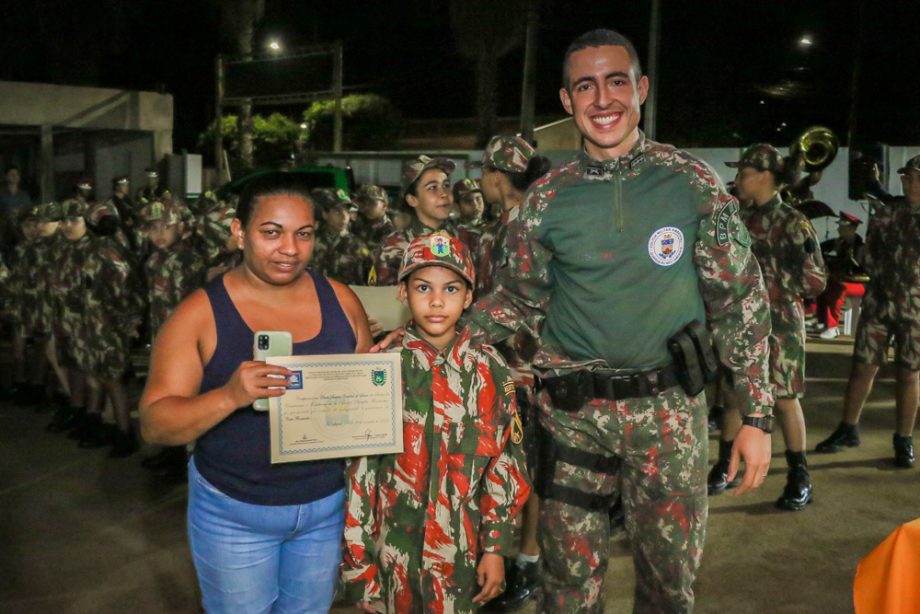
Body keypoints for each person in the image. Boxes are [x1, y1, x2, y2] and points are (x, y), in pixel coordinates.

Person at [457, 30, 773, 612]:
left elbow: (739, 299)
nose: (602, 99)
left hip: (670, 418)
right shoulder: (546, 202)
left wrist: (755, 415)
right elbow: (516, 299)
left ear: (642, 89)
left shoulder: (690, 182)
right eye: (586, 86)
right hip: (573, 419)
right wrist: (442, 342)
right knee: (568, 588)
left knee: (668, 585)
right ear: (567, 100)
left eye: (616, 82)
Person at [139, 172, 373, 613]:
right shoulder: (200, 314)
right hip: (234, 514)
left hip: (325, 510)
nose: (289, 249)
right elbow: (155, 424)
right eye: (272, 232)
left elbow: (365, 405)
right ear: (238, 232)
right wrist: (228, 395)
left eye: (303, 235)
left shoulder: (341, 301)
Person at [342, 232, 530, 613]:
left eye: (451, 288)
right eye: (423, 287)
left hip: (462, 557)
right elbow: (360, 473)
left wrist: (495, 547)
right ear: (402, 293)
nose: (437, 301)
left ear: (468, 297)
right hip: (393, 556)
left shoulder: (489, 368)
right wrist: (358, 566)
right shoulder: (382, 367)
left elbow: (504, 465)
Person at [715, 144, 826, 512]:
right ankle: (725, 465)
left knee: (783, 399)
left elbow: (816, 280)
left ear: (765, 176)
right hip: (739, 323)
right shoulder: (736, 218)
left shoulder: (794, 222)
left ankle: (799, 475)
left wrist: (767, 286)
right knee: (732, 393)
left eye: (744, 173)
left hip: (780, 325)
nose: (738, 180)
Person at [472, 134, 552, 613]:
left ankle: (526, 562)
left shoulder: (521, 227)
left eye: (484, 174)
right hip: (513, 365)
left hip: (522, 368)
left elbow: (522, 303)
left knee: (525, 468)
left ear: (498, 177)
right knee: (518, 466)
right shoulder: (518, 223)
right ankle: (517, 559)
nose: (481, 183)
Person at [814, 154, 920, 468]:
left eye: (914, 177)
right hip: (879, 304)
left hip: (915, 310)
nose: (908, 182)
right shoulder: (886, 213)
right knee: (862, 367)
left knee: (909, 374)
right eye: (906, 177)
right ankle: (848, 428)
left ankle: (903, 438)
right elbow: (870, 257)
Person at [373, 155, 471, 286]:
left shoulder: (467, 238)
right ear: (412, 199)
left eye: (446, 185)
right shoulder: (393, 247)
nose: (444, 193)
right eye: (432, 187)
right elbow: (383, 300)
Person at [812, 212, 866, 339]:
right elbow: (819, 248)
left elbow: (860, 269)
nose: (838, 229)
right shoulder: (839, 242)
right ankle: (822, 321)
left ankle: (832, 327)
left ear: (852, 229)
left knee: (836, 288)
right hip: (842, 280)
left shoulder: (861, 247)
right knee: (822, 284)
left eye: (842, 227)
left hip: (859, 283)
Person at [312, 198, 373, 285]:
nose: (344, 217)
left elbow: (370, 280)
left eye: (347, 212)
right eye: (337, 212)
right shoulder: (312, 242)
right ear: (325, 214)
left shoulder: (358, 245)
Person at [352, 184, 394, 249]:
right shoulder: (356, 222)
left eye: (372, 203)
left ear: (384, 205)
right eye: (364, 203)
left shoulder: (390, 231)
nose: (367, 207)